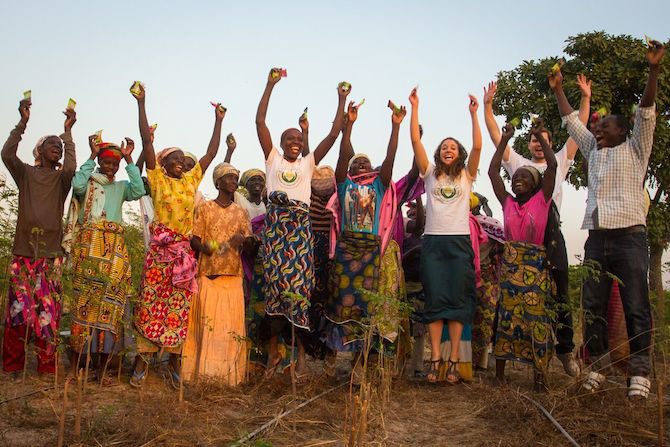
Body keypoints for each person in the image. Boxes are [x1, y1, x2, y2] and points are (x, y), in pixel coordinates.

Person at [549, 42, 664, 399]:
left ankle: (640, 373)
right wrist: (557, 89)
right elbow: (571, 121)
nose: (598, 130)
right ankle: (597, 367)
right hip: (597, 238)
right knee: (593, 304)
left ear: (623, 131)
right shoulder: (593, 151)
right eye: (597, 128)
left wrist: (653, 71)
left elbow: (646, 110)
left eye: (606, 127)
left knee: (635, 305)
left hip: (630, 237)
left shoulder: (636, 148)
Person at [482, 75, 592, 377]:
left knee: (559, 292)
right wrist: (487, 107)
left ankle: (565, 352)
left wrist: (585, 98)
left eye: (542, 138)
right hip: (520, 236)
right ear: (528, 143)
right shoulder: (516, 164)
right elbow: (495, 139)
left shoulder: (559, 160)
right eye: (533, 139)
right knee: (510, 293)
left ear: (549, 142)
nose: (537, 144)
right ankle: (499, 348)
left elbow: (579, 131)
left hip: (551, 233)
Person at [255, 68, 348, 376]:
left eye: (298, 138)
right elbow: (260, 122)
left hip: (299, 233)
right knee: (275, 293)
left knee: (298, 293)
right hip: (276, 232)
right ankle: (273, 357)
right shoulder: (273, 161)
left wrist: (341, 99)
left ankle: (299, 361)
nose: (294, 142)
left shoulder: (309, 164)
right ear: (281, 143)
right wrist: (270, 85)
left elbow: (333, 135)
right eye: (289, 139)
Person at [130, 83, 223, 388]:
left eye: (185, 160)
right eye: (177, 158)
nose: (183, 162)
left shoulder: (190, 182)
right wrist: (142, 102)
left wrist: (218, 120)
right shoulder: (157, 180)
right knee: (150, 303)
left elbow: (211, 153)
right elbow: (146, 138)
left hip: (183, 255)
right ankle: (141, 362)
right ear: (164, 162)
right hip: (160, 252)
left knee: (178, 307)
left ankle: (172, 364)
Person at [324, 100, 405, 378]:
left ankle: (358, 366)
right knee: (340, 303)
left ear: (373, 168)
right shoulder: (344, 184)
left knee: (365, 306)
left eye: (365, 161)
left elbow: (391, 159)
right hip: (346, 249)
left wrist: (395, 128)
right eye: (355, 161)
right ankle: (336, 361)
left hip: (370, 251)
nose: (360, 162)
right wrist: (349, 127)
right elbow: (342, 156)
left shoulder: (379, 186)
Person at [408, 87, 482, 384]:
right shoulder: (429, 174)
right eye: (444, 147)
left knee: (458, 304)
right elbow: (415, 140)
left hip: (459, 242)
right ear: (438, 153)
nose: (448, 149)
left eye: (453, 147)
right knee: (436, 303)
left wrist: (474, 115)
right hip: (434, 243)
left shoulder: (466, 175)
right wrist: (415, 107)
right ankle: (436, 359)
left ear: (459, 154)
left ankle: (454, 362)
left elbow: (478, 148)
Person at [1, 98, 77, 375]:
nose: (56, 148)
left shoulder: (61, 180)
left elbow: (70, 168)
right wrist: (22, 123)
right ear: (40, 151)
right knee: (17, 314)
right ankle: (12, 367)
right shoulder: (26, 174)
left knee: (48, 316)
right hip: (23, 253)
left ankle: (47, 368)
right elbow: (7, 154)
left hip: (51, 257)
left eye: (59, 146)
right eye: (52, 145)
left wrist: (68, 132)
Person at [64, 137, 145, 383]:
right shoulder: (88, 182)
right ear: (99, 161)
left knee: (110, 305)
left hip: (114, 253)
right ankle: (79, 367)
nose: (110, 167)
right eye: (106, 162)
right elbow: (76, 184)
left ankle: (102, 369)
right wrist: (90, 155)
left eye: (115, 163)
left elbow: (140, 189)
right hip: (88, 247)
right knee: (84, 303)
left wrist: (130, 158)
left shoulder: (121, 187)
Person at [489, 120, 557, 390]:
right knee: (507, 317)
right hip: (510, 265)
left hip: (535, 266)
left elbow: (552, 167)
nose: (518, 180)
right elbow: (494, 170)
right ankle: (499, 375)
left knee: (535, 319)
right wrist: (505, 139)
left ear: (536, 184)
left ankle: (540, 378)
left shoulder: (543, 200)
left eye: (525, 177)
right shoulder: (507, 202)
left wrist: (541, 135)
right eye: (516, 177)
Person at [183, 163, 253, 385]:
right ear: (218, 182)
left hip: (233, 276)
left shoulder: (241, 212)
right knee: (208, 327)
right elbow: (195, 240)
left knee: (229, 330)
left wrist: (245, 240)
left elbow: (250, 244)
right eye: (229, 177)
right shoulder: (204, 208)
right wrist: (215, 246)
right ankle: (204, 376)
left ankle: (229, 378)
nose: (234, 181)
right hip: (208, 275)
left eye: (236, 177)